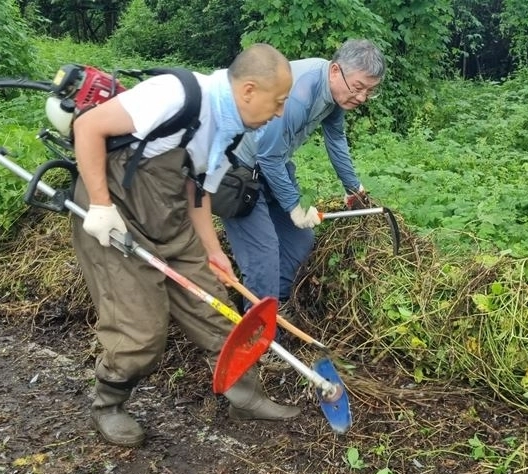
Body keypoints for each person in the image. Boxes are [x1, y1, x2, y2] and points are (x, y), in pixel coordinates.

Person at [70, 43, 299, 448]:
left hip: (170, 221)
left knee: (219, 310)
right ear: (248, 90)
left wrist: (212, 250)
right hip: (116, 219)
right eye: (277, 101)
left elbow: (196, 189)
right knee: (140, 329)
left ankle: (245, 397)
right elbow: (88, 128)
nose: (279, 112)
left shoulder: (228, 131)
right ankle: (108, 405)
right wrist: (101, 206)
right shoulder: (176, 94)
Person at [221, 39, 385, 310]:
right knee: (264, 255)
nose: (362, 97)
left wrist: (353, 188)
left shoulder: (334, 95)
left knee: (298, 241)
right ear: (335, 71)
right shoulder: (299, 93)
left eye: (370, 91)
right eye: (358, 87)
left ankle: (279, 310)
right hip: (236, 171)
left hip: (272, 165)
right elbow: (267, 155)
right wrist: (293, 206)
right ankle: (259, 339)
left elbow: (336, 139)